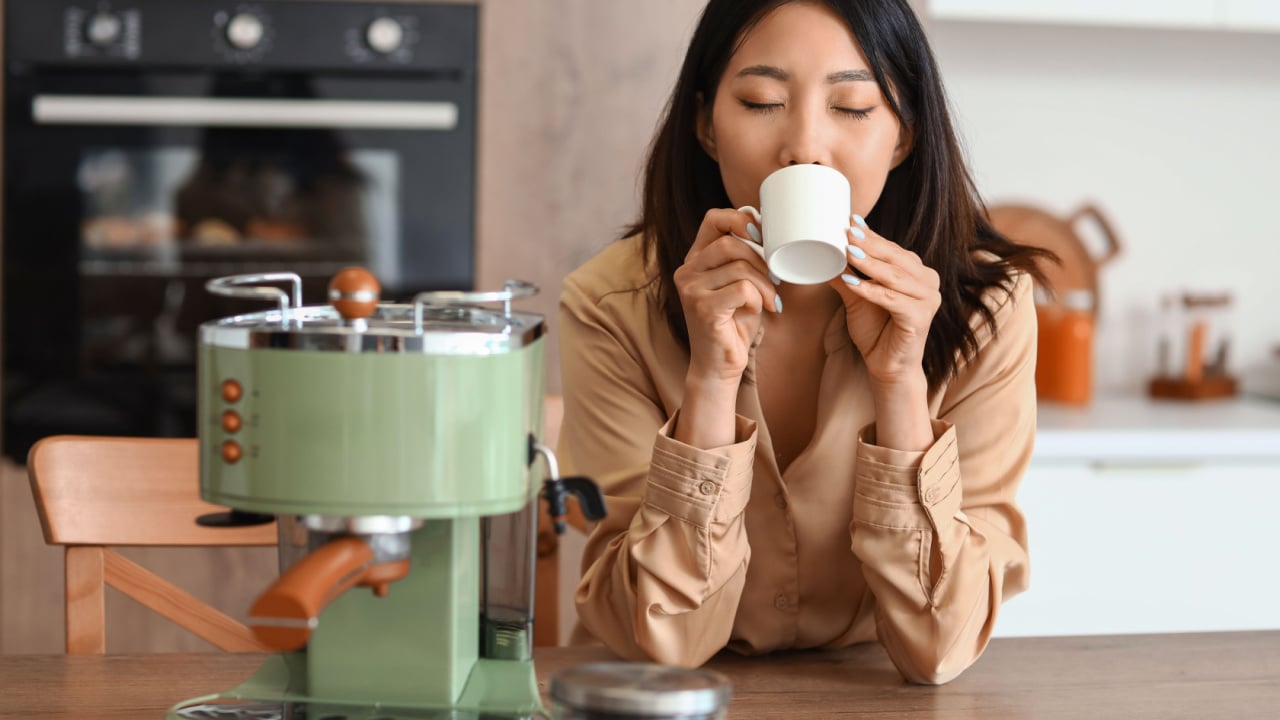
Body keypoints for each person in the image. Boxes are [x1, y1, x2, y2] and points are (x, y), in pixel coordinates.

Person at [556, 0, 1051, 685]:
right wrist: (711, 379)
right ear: (706, 124)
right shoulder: (611, 306)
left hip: (875, 696)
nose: (805, 147)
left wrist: (902, 385)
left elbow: (940, 645)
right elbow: (659, 640)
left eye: (851, 107)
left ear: (904, 135)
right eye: (762, 101)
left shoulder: (983, 308)